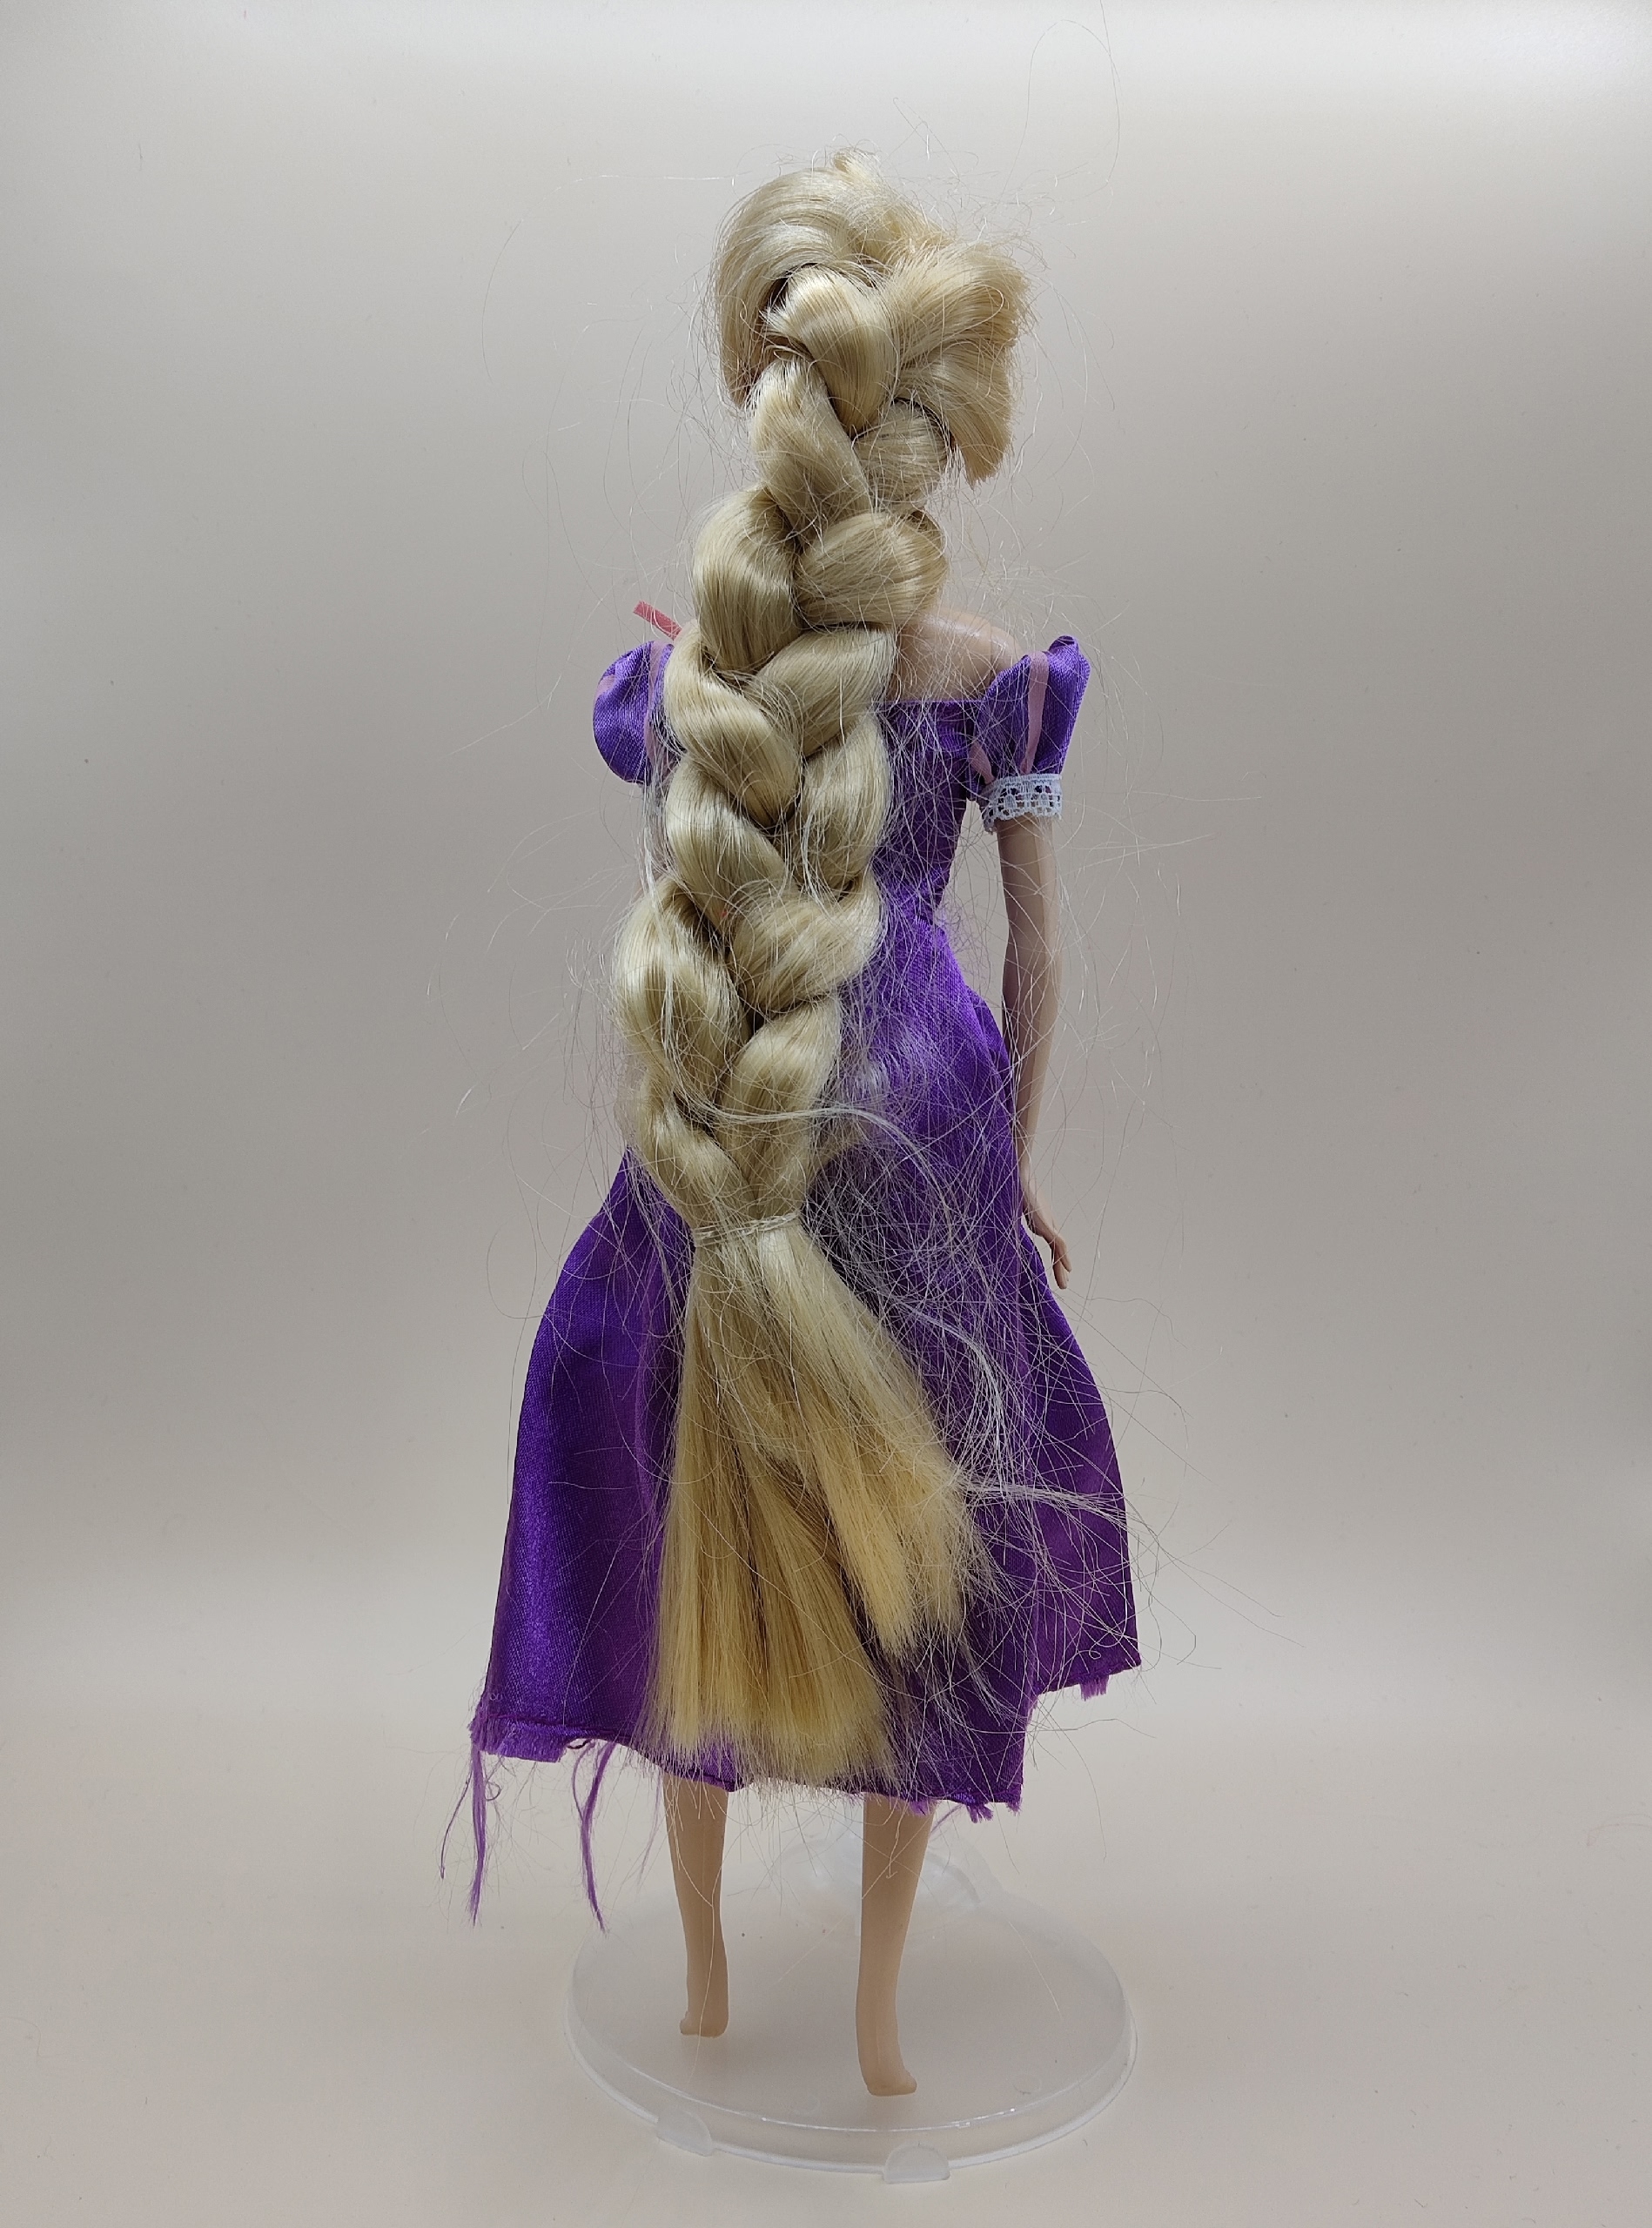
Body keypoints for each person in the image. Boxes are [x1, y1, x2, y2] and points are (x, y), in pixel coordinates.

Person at [467, 152, 1138, 2097]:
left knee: (688, 1510)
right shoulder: (992, 684)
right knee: (920, 1560)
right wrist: (1012, 1165)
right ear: (932, 431)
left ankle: (700, 1980)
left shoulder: (693, 681)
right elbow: (1034, 956)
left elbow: (692, 907)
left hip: (727, 1119)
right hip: (916, 1125)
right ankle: (871, 2024)